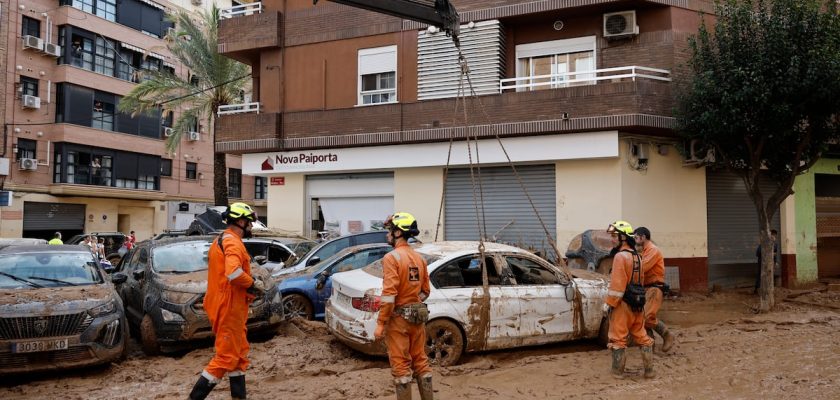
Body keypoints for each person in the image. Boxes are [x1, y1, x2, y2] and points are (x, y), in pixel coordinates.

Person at [188, 202, 264, 400]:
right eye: (249, 223)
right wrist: (252, 283)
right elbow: (233, 273)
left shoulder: (222, 239)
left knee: (238, 356)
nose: (250, 227)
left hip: (230, 305)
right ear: (240, 221)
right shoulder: (232, 242)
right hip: (229, 306)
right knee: (225, 358)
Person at [374, 212, 434, 400]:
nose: (387, 234)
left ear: (399, 233)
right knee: (421, 362)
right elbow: (425, 291)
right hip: (417, 318)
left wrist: (381, 323)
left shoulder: (392, 258)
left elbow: (389, 295)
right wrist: (412, 300)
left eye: (390, 231)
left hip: (399, 320)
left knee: (400, 367)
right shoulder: (419, 258)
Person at [604, 220, 654, 379]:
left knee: (617, 338)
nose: (612, 239)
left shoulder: (620, 257)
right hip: (638, 303)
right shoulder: (637, 256)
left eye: (614, 235)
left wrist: (609, 304)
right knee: (642, 336)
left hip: (623, 305)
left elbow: (617, 286)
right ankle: (649, 371)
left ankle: (617, 372)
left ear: (623, 237)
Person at [634, 227, 675, 353]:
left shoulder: (653, 251)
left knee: (647, 317)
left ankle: (667, 334)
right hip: (644, 289)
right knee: (641, 318)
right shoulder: (643, 251)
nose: (634, 240)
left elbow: (642, 268)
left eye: (636, 237)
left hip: (654, 288)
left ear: (643, 237)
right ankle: (649, 347)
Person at [754, 229, 780, 294]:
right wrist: (769, 253)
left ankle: (768, 290)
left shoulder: (775, 244)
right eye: (772, 235)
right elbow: (757, 253)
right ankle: (757, 289)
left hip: (770, 263)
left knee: (769, 275)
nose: (773, 237)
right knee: (761, 274)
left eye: (774, 236)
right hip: (762, 262)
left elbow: (775, 254)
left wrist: (775, 262)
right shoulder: (764, 243)